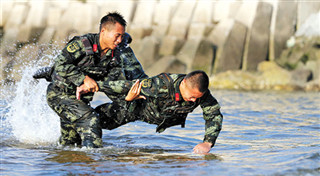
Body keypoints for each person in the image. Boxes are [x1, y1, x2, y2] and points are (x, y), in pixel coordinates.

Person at [40, 12, 147, 148]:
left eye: (122, 36)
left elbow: (136, 76)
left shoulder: (118, 51)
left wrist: (136, 95)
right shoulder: (83, 44)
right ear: (103, 31)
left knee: (71, 144)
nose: (119, 40)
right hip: (60, 95)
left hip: (81, 100)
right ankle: (92, 161)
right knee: (90, 120)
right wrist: (83, 79)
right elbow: (60, 65)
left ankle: (64, 164)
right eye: (117, 36)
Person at [78, 70, 223, 153]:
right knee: (96, 120)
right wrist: (94, 86)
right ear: (183, 83)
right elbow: (124, 86)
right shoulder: (160, 84)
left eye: (196, 98)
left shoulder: (201, 95)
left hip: (158, 118)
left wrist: (208, 143)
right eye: (191, 96)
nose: (193, 101)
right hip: (136, 108)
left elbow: (214, 115)